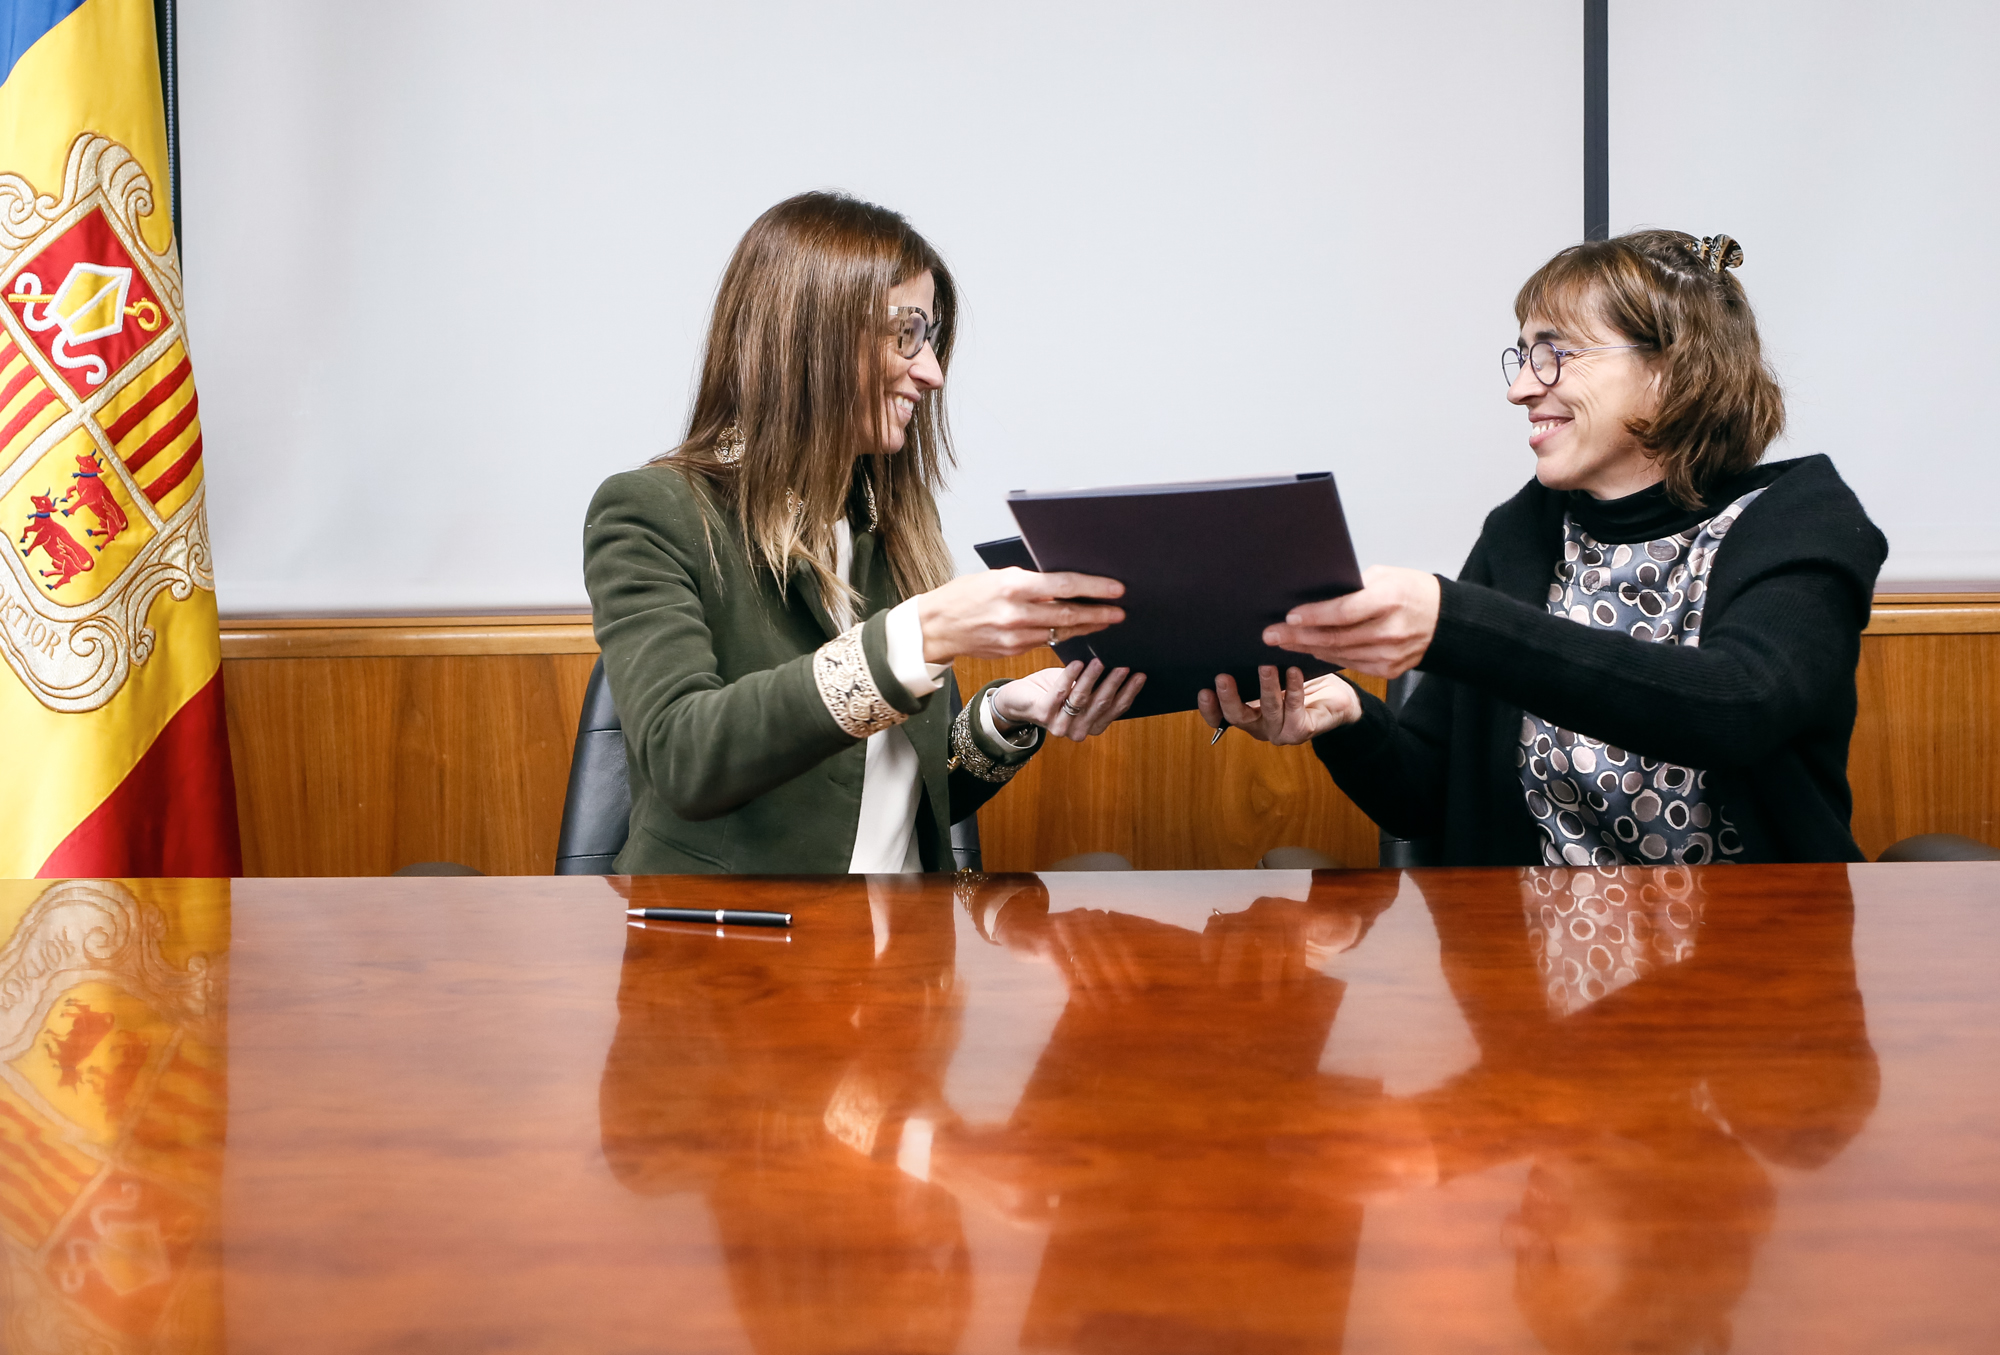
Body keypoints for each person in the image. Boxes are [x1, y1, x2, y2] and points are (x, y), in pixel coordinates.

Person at [1200, 230, 1887, 865]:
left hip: (1764, 944)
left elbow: (1739, 706)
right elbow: (1422, 798)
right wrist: (1348, 717)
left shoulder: (1800, 520)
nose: (1520, 388)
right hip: (1538, 951)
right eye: (1524, 355)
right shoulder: (1522, 534)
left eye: (1556, 354)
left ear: (1673, 368)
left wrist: (1455, 621)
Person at [584, 192, 1142, 874]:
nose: (932, 372)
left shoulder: (894, 522)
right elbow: (683, 758)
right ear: (807, 336)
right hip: (739, 935)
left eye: (929, 339)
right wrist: (918, 636)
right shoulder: (650, 510)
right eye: (907, 333)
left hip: (901, 935)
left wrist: (1005, 715)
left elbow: (885, 791)